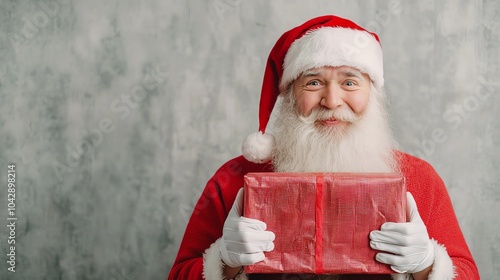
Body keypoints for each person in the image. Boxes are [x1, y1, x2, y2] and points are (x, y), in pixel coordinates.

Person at [168, 15, 479, 280]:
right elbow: (178, 273)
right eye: (313, 82)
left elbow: (467, 272)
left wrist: (427, 265)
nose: (332, 101)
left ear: (372, 93)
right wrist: (224, 261)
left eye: (350, 82)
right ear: (289, 96)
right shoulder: (234, 177)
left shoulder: (419, 178)